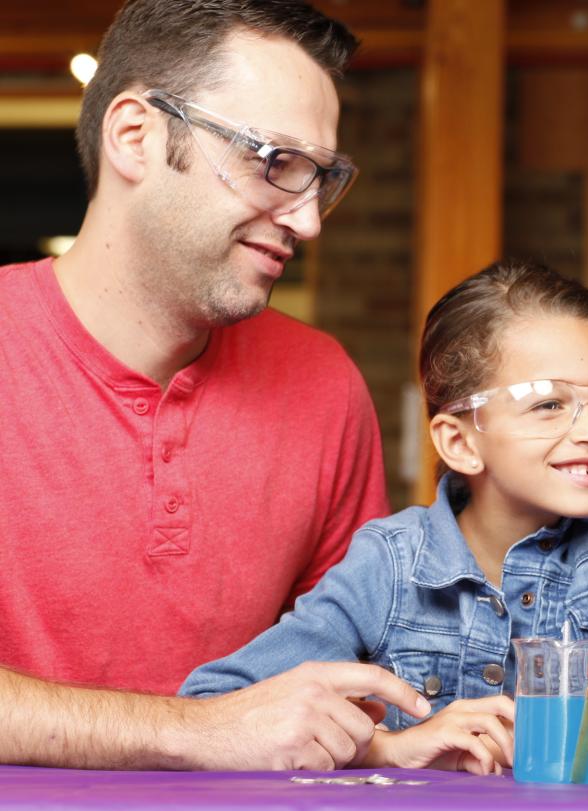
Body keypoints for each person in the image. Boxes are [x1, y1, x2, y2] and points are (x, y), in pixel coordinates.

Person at [0, 0, 430, 770]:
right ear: (136, 136)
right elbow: (232, 728)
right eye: (276, 162)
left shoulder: (323, 385)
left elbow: (350, 679)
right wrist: (196, 732)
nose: (308, 221)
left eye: (322, 178)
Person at [182, 261, 588, 772]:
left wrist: (516, 729)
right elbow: (218, 703)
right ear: (459, 443)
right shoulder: (389, 562)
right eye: (549, 405)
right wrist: (387, 748)